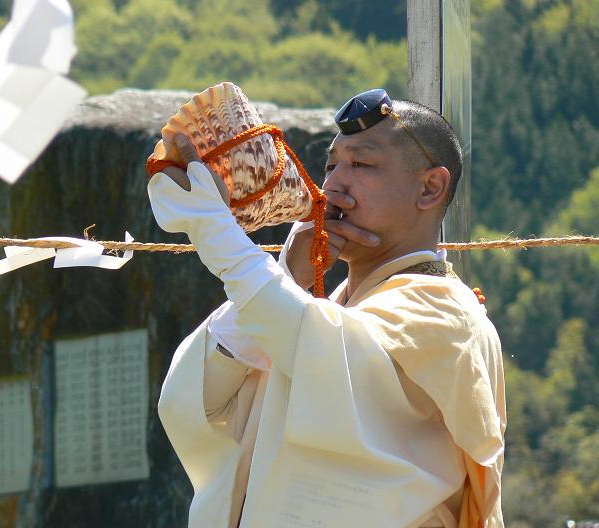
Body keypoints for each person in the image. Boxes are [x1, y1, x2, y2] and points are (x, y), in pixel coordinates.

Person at [147, 89, 506, 528]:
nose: (333, 186)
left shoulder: (447, 313)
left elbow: (320, 349)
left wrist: (213, 228)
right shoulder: (329, 313)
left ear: (430, 188)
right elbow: (195, 399)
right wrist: (288, 276)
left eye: (362, 164)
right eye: (331, 165)